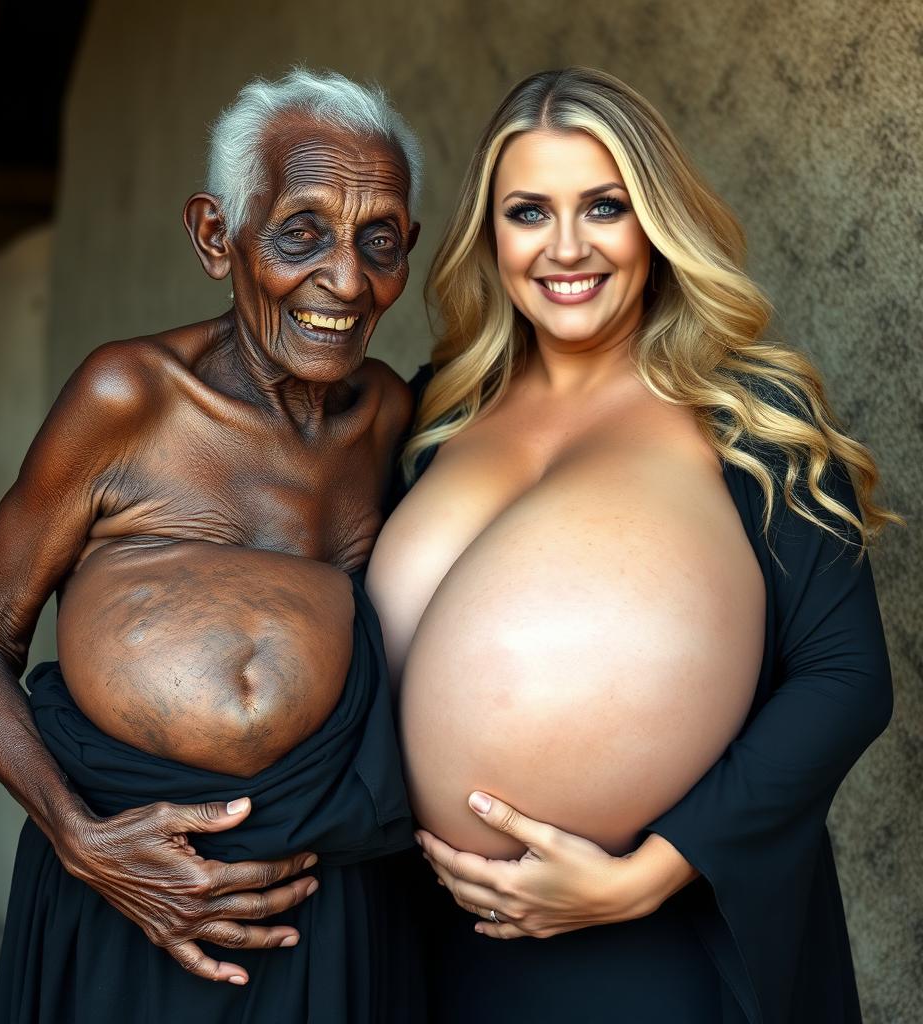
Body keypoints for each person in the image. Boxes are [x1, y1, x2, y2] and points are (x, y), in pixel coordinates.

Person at [367, 67, 897, 1023]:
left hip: (656, 945)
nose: (566, 247)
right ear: (491, 236)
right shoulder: (433, 413)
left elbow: (847, 677)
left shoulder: (743, 415)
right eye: (529, 212)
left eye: (603, 206)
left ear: (653, 220)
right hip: (426, 944)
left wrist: (644, 878)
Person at [0, 69, 425, 1023]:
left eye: (381, 241)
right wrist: (79, 838)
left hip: (329, 885)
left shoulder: (387, 415)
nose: (348, 280)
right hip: (126, 878)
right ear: (215, 236)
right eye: (301, 233)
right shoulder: (129, 397)